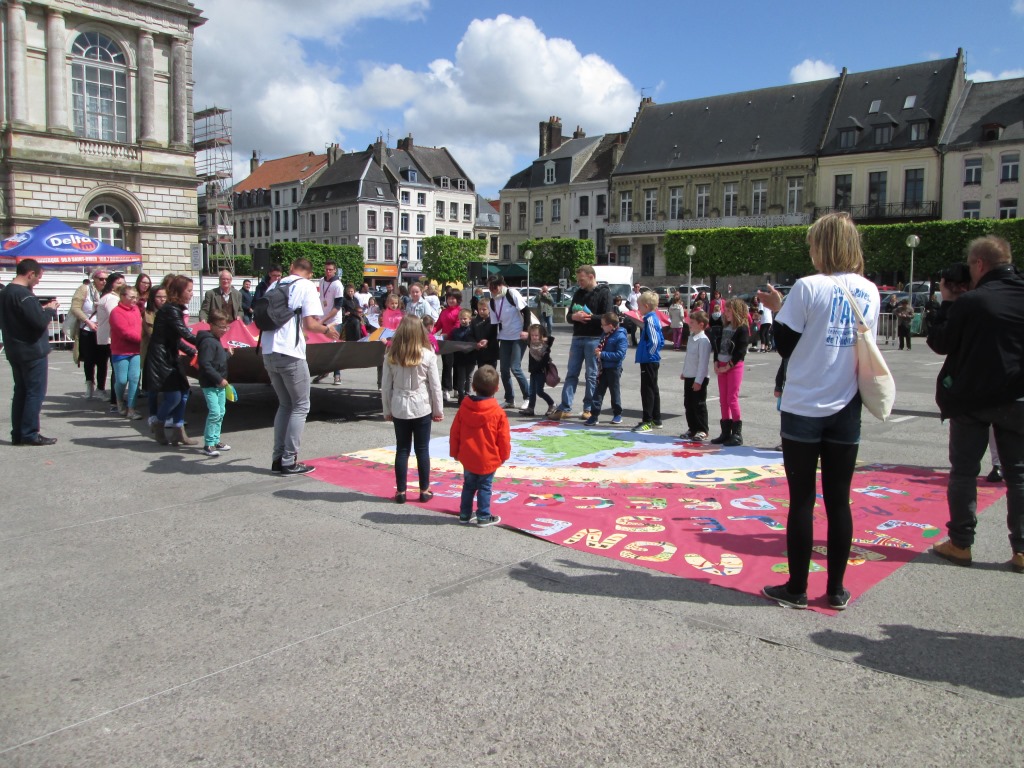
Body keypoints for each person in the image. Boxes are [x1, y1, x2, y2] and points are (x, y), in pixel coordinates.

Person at [758, 211, 881, 610]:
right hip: (847, 402)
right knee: (839, 499)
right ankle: (837, 589)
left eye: (812, 243)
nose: (810, 249)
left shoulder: (809, 287)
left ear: (822, 245)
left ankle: (796, 587)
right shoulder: (869, 290)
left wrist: (777, 307)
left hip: (804, 403)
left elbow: (785, 345)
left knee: (801, 500)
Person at [926, 235, 1024, 574]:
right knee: (1019, 476)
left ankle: (961, 543)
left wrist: (949, 300)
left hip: (972, 397)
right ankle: (1022, 549)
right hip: (1017, 397)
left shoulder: (973, 302)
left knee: (965, 471)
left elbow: (939, 342)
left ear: (979, 264)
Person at [261, 258, 340, 474]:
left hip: (268, 351)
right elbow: (310, 324)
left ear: (290, 269)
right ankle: (289, 460)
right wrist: (327, 330)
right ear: (309, 273)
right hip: (290, 353)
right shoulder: (305, 286)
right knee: (301, 405)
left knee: (285, 404)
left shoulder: (275, 284)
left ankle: (278, 458)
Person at [381, 315, 444, 503]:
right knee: (422, 449)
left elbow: (385, 386)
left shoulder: (391, 355)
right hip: (421, 405)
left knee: (402, 449)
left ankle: (401, 492)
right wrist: (438, 410)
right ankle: (424, 490)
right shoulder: (428, 355)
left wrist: (386, 409)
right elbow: (435, 386)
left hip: (400, 405)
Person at [0, 258, 59, 445]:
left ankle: (18, 433)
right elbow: (39, 322)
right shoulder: (24, 295)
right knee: (35, 393)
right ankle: (30, 433)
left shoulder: (5, 292)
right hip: (32, 350)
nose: (38, 281)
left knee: (21, 391)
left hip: (14, 349)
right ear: (30, 274)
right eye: (38, 277)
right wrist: (49, 310)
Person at [449, 364, 510, 526]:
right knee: (484, 487)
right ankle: (483, 516)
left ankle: (464, 514)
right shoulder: (498, 413)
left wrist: (454, 451)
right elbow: (503, 438)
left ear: (473, 386)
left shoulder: (464, 407)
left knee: (468, 486)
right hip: (488, 458)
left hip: (468, 456)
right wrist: (504, 455)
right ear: (497, 388)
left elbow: (455, 431)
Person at [553, 265, 613, 421]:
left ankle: (589, 408)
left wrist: (589, 317)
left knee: (591, 374)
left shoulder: (604, 293)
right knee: (571, 373)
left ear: (591, 277)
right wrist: (574, 317)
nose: (579, 283)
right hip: (578, 337)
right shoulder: (578, 293)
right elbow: (569, 316)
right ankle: (565, 407)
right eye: (578, 280)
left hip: (594, 337)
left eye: (582, 280)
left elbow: (608, 316)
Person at [145, 275, 200, 446]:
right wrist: (209, 341)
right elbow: (186, 334)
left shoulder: (174, 309)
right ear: (178, 291)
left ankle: (178, 431)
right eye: (189, 290)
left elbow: (176, 340)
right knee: (174, 397)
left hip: (171, 356)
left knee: (184, 393)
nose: (191, 294)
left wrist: (192, 351)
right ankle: (158, 424)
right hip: (161, 359)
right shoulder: (170, 310)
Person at [710, 298, 750, 446]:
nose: (725, 313)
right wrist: (716, 362)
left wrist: (728, 366)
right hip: (721, 364)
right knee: (723, 400)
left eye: (728, 310)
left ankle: (737, 433)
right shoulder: (724, 327)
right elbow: (717, 345)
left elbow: (740, 351)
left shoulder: (742, 328)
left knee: (732, 398)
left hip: (734, 366)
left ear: (736, 311)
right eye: (725, 310)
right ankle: (725, 432)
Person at [486, 274, 531, 409]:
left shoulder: (512, 294)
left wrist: (525, 331)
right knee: (504, 370)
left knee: (515, 368)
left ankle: (528, 397)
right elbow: (494, 325)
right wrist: (487, 339)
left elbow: (527, 311)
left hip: (519, 336)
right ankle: (509, 399)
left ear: (501, 285)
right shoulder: (492, 302)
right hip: (504, 337)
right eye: (490, 288)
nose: (492, 291)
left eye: (494, 288)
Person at [196, 308, 232, 458]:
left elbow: (218, 361)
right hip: (211, 384)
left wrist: (227, 355)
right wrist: (219, 379)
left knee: (221, 412)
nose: (224, 330)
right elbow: (205, 364)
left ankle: (216, 440)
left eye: (226, 327)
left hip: (219, 385)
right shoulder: (208, 342)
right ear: (211, 325)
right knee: (215, 412)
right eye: (221, 327)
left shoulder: (216, 340)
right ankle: (208, 443)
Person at [70, 269, 107, 399]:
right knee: (89, 360)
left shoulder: (106, 292)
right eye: (101, 279)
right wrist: (88, 321)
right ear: (94, 279)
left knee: (103, 360)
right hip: (87, 329)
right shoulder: (85, 289)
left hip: (102, 330)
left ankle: (101, 388)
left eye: (105, 279)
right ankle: (89, 384)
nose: (104, 281)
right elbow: (75, 308)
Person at [585, 312, 627, 426]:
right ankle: (594, 415)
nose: (601, 327)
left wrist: (602, 354)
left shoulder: (620, 336)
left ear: (611, 325)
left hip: (614, 369)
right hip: (603, 368)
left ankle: (617, 414)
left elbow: (620, 355)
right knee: (598, 392)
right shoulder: (605, 334)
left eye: (603, 324)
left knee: (614, 392)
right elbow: (602, 344)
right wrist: (598, 351)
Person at [108, 284, 143, 419]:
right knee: (122, 380)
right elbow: (124, 332)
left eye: (136, 297)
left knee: (134, 378)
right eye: (132, 297)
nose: (135, 300)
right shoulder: (116, 312)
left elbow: (139, 327)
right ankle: (119, 401)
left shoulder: (136, 310)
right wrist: (143, 340)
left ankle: (131, 408)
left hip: (135, 351)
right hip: (120, 351)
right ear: (122, 296)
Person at [632, 290, 665, 433]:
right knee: (653, 389)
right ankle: (656, 419)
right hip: (650, 359)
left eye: (639, 306)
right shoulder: (652, 319)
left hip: (649, 360)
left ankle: (648, 421)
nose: (638, 309)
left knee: (647, 391)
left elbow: (656, 341)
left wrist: (650, 354)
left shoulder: (650, 319)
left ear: (645, 306)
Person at [679, 310, 712, 441]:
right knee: (688, 404)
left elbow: (703, 363)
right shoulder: (692, 338)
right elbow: (689, 358)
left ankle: (702, 429)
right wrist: (684, 372)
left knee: (699, 404)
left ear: (701, 325)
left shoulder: (703, 341)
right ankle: (692, 428)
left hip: (699, 378)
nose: (689, 324)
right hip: (689, 376)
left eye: (692, 323)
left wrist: (698, 381)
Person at [96, 272, 125, 410]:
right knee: (116, 370)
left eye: (123, 283)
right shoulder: (111, 299)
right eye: (119, 283)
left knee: (113, 368)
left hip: (108, 337)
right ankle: (115, 400)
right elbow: (116, 316)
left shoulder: (112, 297)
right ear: (112, 285)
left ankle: (115, 399)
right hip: (110, 338)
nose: (122, 285)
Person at [141, 286, 166, 420]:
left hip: (166, 353)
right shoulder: (148, 313)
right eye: (159, 297)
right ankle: (153, 414)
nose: (162, 300)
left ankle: (167, 415)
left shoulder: (169, 311)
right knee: (153, 387)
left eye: (164, 297)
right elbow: (153, 334)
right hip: (151, 352)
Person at [434, 289, 463, 400]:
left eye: (453, 298)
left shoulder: (460, 311)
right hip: (445, 343)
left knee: (457, 366)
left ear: (458, 300)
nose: (451, 300)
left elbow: (457, 326)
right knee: (447, 365)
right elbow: (438, 325)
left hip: (456, 341)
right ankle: (445, 389)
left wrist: (447, 334)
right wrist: (429, 333)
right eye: (449, 298)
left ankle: (457, 388)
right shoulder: (443, 312)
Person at [521, 323, 555, 418]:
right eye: (532, 335)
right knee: (532, 391)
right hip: (533, 372)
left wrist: (544, 338)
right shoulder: (531, 344)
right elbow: (526, 337)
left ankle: (552, 404)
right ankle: (531, 408)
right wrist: (527, 334)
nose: (534, 337)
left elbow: (551, 338)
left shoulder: (545, 347)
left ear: (541, 336)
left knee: (539, 391)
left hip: (541, 372)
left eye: (536, 335)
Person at [449, 308, 476, 403]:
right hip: (459, 358)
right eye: (461, 319)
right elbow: (451, 343)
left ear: (470, 319)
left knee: (469, 377)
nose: (463, 321)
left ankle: (467, 394)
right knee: (461, 377)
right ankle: (461, 394)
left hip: (471, 357)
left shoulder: (473, 330)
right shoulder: (455, 331)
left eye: (465, 318)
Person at [472, 297, 499, 372]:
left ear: (489, 309)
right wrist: (475, 343)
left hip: (491, 353)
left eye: (484, 309)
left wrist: (488, 342)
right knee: (481, 374)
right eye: (479, 309)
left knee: (491, 374)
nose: (481, 311)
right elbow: (471, 334)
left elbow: (496, 335)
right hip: (480, 353)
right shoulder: (474, 321)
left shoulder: (494, 321)